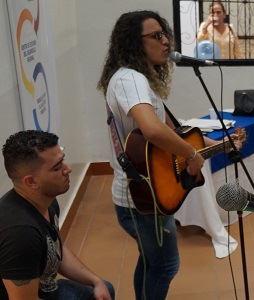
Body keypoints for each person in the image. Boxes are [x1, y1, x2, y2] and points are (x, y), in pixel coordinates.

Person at [97, 11, 241, 299]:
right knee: (165, 266)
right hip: (142, 198)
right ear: (133, 42)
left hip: (145, 193)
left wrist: (223, 142)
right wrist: (190, 153)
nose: (166, 42)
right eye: (157, 36)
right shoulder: (130, 79)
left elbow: (173, 133)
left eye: (165, 35)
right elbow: (151, 130)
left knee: (151, 261)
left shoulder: (134, 79)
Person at [0, 130, 115, 300]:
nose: (68, 169)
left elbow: (55, 250)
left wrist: (96, 281)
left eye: (63, 160)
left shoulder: (46, 200)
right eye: (57, 167)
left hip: (46, 289)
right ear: (31, 182)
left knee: (105, 288)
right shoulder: (21, 235)